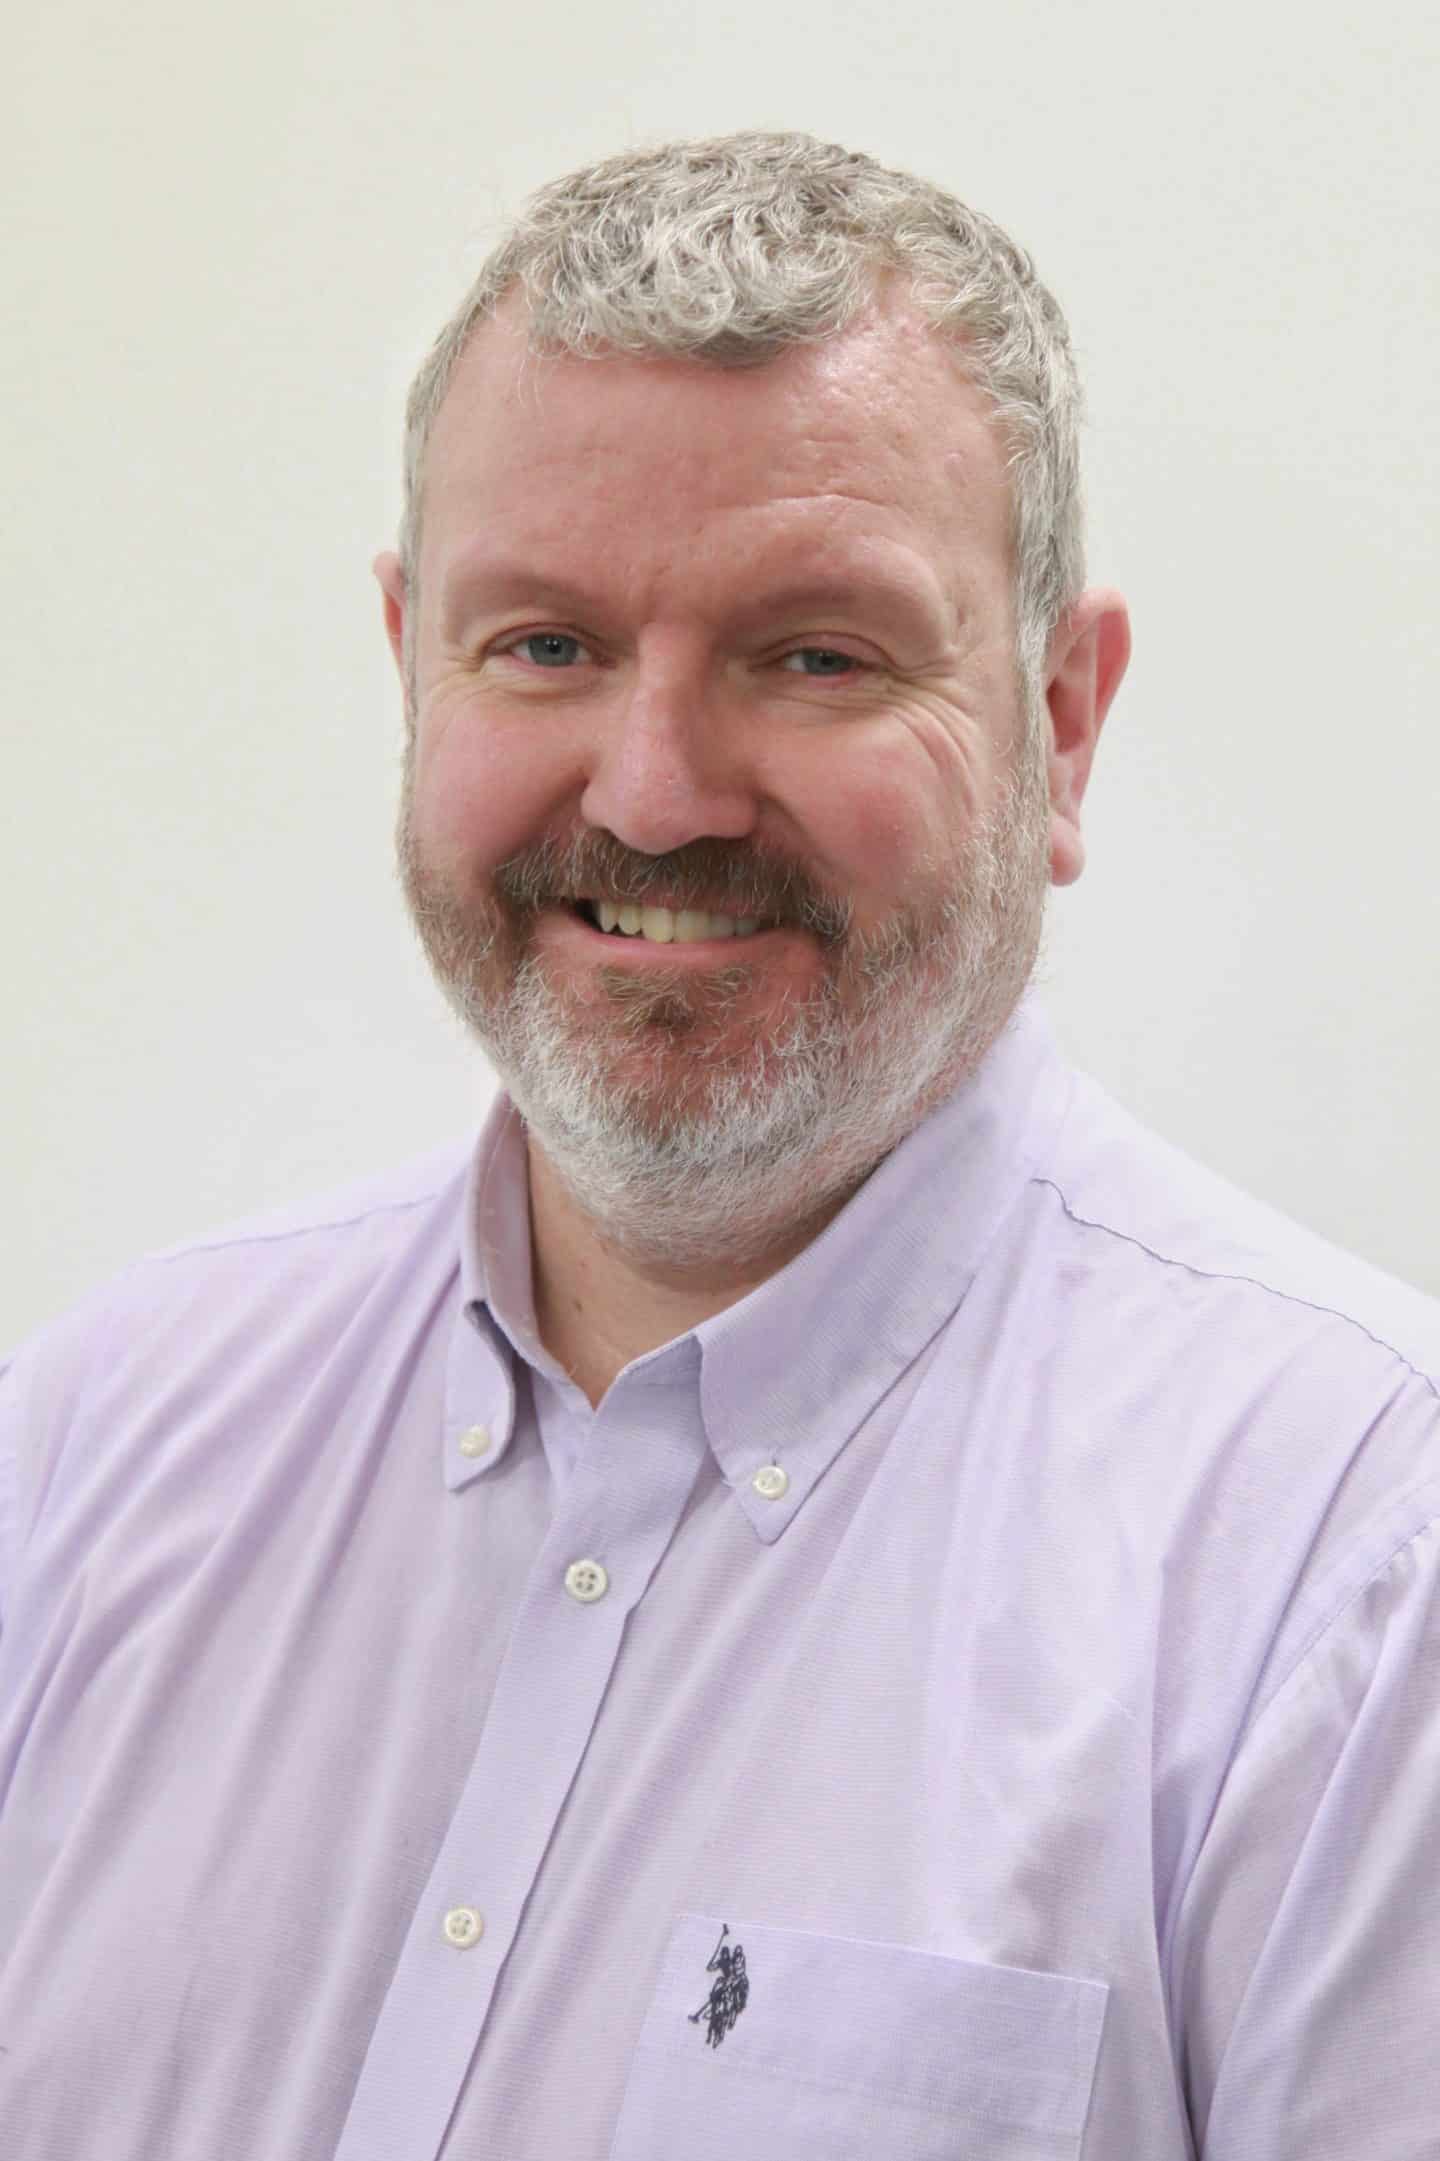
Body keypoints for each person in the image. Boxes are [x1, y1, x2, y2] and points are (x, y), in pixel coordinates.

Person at [0, 130, 1435, 2161]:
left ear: (1063, 723)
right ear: (408, 660)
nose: (656, 792)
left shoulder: (1354, 1561)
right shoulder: (91, 1452)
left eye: (815, 655)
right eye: (546, 647)